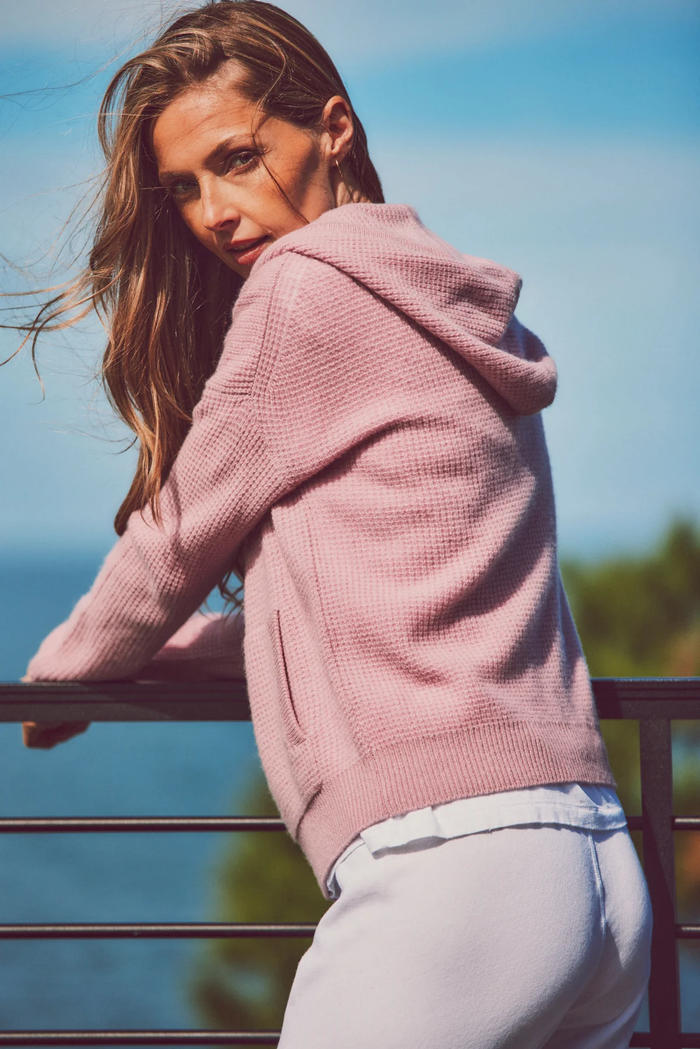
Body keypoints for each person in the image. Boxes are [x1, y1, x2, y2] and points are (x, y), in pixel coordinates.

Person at [14, 2, 652, 1046]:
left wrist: (61, 672)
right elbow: (373, 608)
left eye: (236, 158)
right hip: (594, 864)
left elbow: (178, 538)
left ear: (334, 130)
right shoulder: (452, 313)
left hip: (456, 873)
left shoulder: (305, 291)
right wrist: (170, 659)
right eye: (185, 186)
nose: (217, 212)